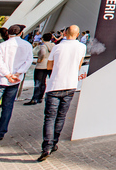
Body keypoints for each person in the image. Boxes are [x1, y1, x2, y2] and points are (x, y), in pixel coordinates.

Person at [36, 25, 87, 161]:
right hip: (70, 85)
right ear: (78, 34)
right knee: (61, 116)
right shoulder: (82, 47)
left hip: (54, 85)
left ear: (65, 33)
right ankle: (54, 143)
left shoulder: (57, 47)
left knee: (50, 117)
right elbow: (79, 65)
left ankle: (46, 147)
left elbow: (49, 66)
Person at [26, 33, 55, 105]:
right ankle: (40, 97)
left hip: (41, 65)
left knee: (38, 82)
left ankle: (35, 98)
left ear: (42, 38)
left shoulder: (43, 46)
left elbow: (43, 53)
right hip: (48, 65)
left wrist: (40, 59)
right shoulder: (53, 46)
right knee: (43, 82)